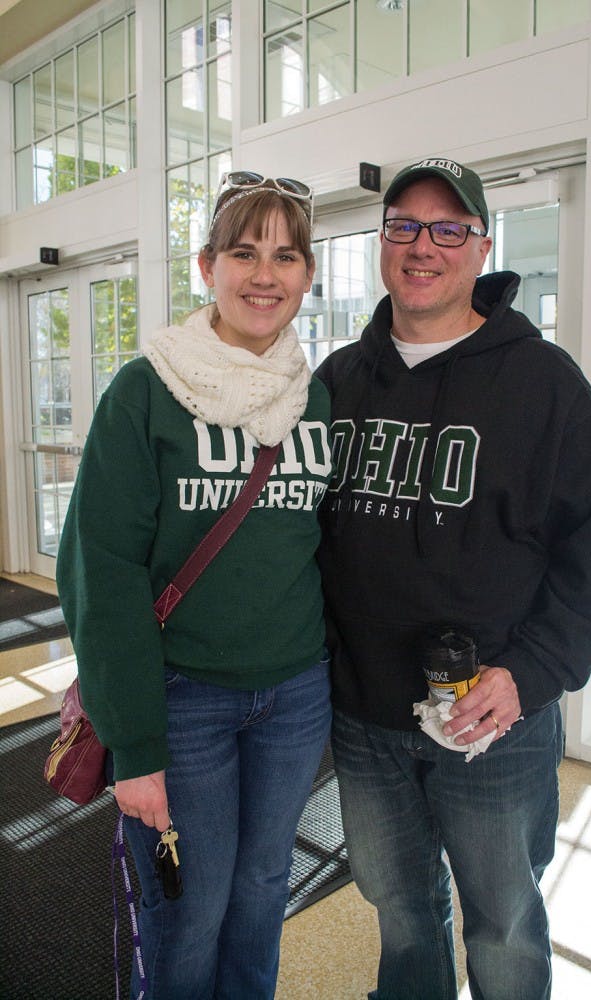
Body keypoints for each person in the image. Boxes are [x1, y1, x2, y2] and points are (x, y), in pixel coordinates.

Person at [315, 156, 591, 1000]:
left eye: (447, 228)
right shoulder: (338, 382)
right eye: (403, 226)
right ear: (381, 243)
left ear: (480, 245)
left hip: (491, 719)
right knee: (398, 905)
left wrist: (527, 676)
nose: (423, 246)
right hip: (364, 717)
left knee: (502, 917)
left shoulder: (543, 383)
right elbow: (291, 537)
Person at [56, 171, 333, 1000]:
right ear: (208, 265)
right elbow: (98, 576)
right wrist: (133, 748)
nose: (264, 274)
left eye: (285, 256)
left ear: (307, 276)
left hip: (293, 694)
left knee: (259, 895)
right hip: (181, 700)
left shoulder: (314, 397)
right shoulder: (146, 392)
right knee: (189, 909)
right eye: (243, 252)